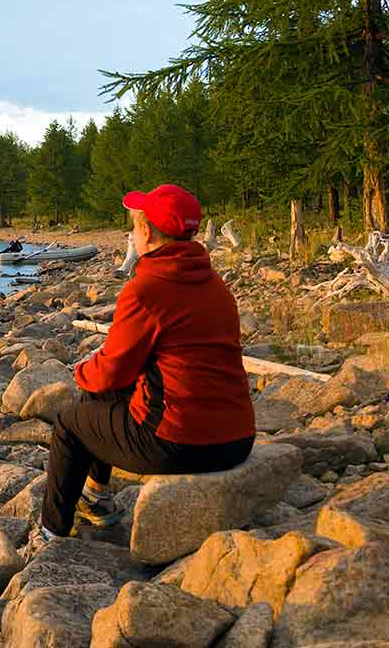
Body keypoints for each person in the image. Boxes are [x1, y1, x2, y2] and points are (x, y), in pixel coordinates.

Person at [39, 183, 256, 539]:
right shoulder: (215, 284)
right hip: (236, 439)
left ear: (145, 232)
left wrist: (81, 371)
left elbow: (109, 372)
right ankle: (95, 499)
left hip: (178, 444)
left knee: (69, 423)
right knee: (101, 397)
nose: (131, 233)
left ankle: (51, 533)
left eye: (133, 226)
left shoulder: (147, 288)